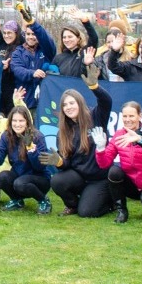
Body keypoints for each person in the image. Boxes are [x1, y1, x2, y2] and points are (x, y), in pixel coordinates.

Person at [42, 50, 113, 217]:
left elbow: (106, 102)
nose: (69, 107)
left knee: (87, 212)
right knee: (57, 180)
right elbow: (66, 164)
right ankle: (73, 205)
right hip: (79, 177)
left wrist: (95, 87)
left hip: (99, 178)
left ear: (80, 103)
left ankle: (107, 200)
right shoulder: (63, 132)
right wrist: (59, 162)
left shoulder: (95, 117)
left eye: (72, 103)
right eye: (65, 105)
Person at [97, 101, 142, 222]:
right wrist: (100, 149)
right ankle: (121, 211)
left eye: (131, 116)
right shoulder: (119, 135)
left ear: (140, 116)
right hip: (130, 185)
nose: (128, 119)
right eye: (125, 116)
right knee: (114, 171)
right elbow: (104, 164)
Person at [0, 104, 52, 214]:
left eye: (21, 121)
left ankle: (43, 201)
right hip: (19, 176)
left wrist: (30, 149)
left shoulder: (38, 136)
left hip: (40, 179)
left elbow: (40, 166)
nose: (17, 124)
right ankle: (17, 201)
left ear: (27, 121)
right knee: (3, 176)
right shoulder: (6, 136)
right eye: (14, 121)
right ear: (10, 121)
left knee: (20, 183)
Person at [8, 15, 57, 115]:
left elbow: (47, 40)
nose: (30, 37)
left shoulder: (46, 50)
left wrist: (33, 24)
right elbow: (17, 70)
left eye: (34, 34)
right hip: (26, 101)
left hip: (45, 101)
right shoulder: (18, 52)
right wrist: (32, 73)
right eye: (28, 34)